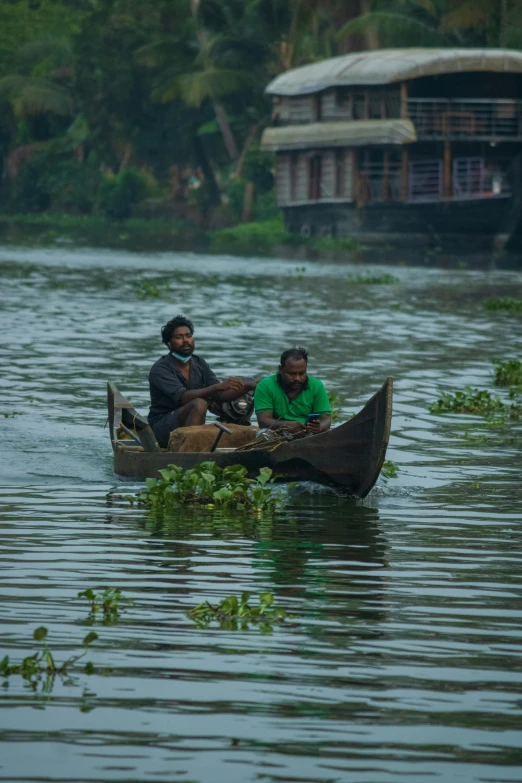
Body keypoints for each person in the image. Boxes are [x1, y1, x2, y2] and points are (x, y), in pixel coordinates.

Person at [148, 315, 256, 447]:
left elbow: (220, 396)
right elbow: (183, 398)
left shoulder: (199, 363)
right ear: (168, 345)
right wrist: (217, 387)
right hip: (162, 427)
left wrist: (249, 386)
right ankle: (190, 450)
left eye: (188, 336)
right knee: (199, 404)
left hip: (189, 424)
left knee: (200, 403)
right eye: (179, 337)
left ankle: (193, 446)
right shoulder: (160, 369)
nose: (185, 340)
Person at [254, 347, 331, 435]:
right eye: (291, 374)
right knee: (264, 434)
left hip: (308, 433)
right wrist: (286, 425)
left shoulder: (317, 386)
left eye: (302, 373)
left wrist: (319, 427)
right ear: (280, 369)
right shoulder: (265, 385)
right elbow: (263, 421)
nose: (297, 378)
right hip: (276, 432)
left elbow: (326, 419)